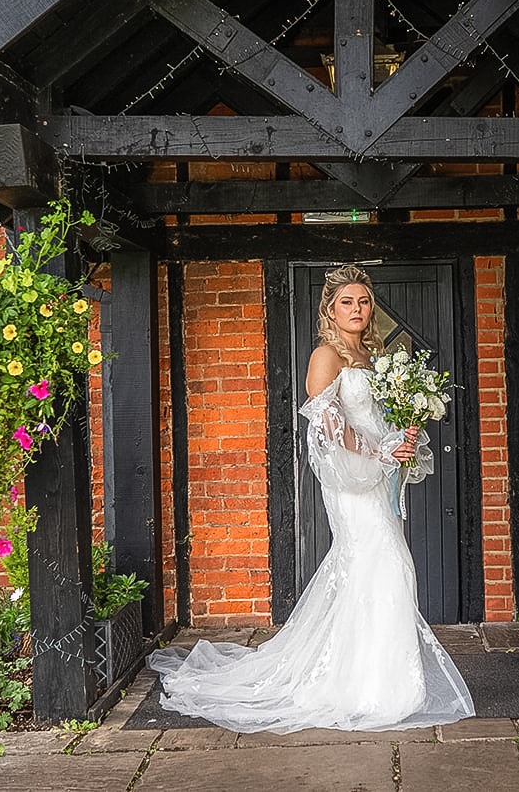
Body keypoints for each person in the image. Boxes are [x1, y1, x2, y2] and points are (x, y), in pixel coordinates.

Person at [148, 264, 475, 732]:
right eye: (348, 302)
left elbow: (371, 417)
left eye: (363, 301)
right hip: (351, 482)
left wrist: (400, 434)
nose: (358, 309)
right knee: (384, 561)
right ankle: (365, 685)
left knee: (377, 565)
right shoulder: (327, 355)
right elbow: (325, 422)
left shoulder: (373, 353)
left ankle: (379, 678)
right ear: (330, 309)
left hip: (377, 478)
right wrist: (379, 449)